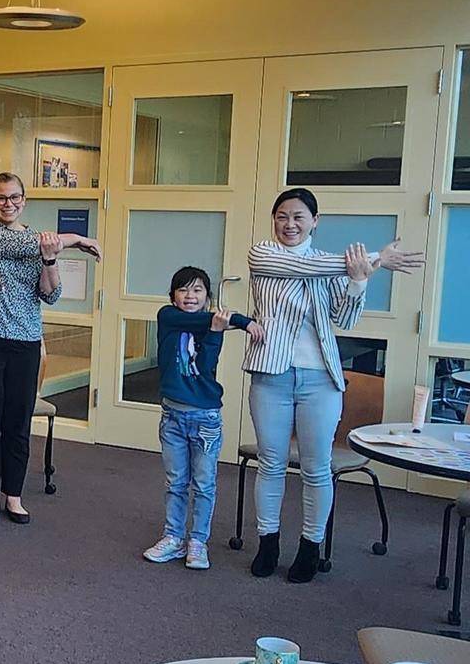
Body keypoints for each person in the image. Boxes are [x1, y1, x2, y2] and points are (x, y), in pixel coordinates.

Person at [244, 187, 423, 582]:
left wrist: (360, 281)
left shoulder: (332, 265)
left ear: (315, 221)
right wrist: (377, 260)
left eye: (298, 217)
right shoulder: (263, 254)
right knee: (271, 463)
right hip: (271, 374)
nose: (289, 224)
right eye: (282, 216)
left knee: (316, 467)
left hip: (320, 379)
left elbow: (344, 318)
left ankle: (310, 546)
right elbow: (304, 269)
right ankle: (267, 542)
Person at [0, 172, 102, 524]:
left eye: (14, 198)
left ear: (24, 200)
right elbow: (17, 247)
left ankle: (14, 496)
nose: (8, 204)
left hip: (25, 343)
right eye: (1, 198)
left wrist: (52, 259)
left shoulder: (41, 243)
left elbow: (50, 294)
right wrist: (77, 239)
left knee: (18, 423)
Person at [142, 266, 263, 570]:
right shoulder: (168, 317)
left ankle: (198, 541)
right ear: (172, 296)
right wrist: (244, 322)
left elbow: (206, 364)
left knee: (204, 483)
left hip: (205, 418)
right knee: (176, 481)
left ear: (208, 297)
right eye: (183, 290)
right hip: (172, 416)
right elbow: (196, 320)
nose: (190, 296)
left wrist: (218, 331)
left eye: (198, 290)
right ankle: (173, 537)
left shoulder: (212, 327)